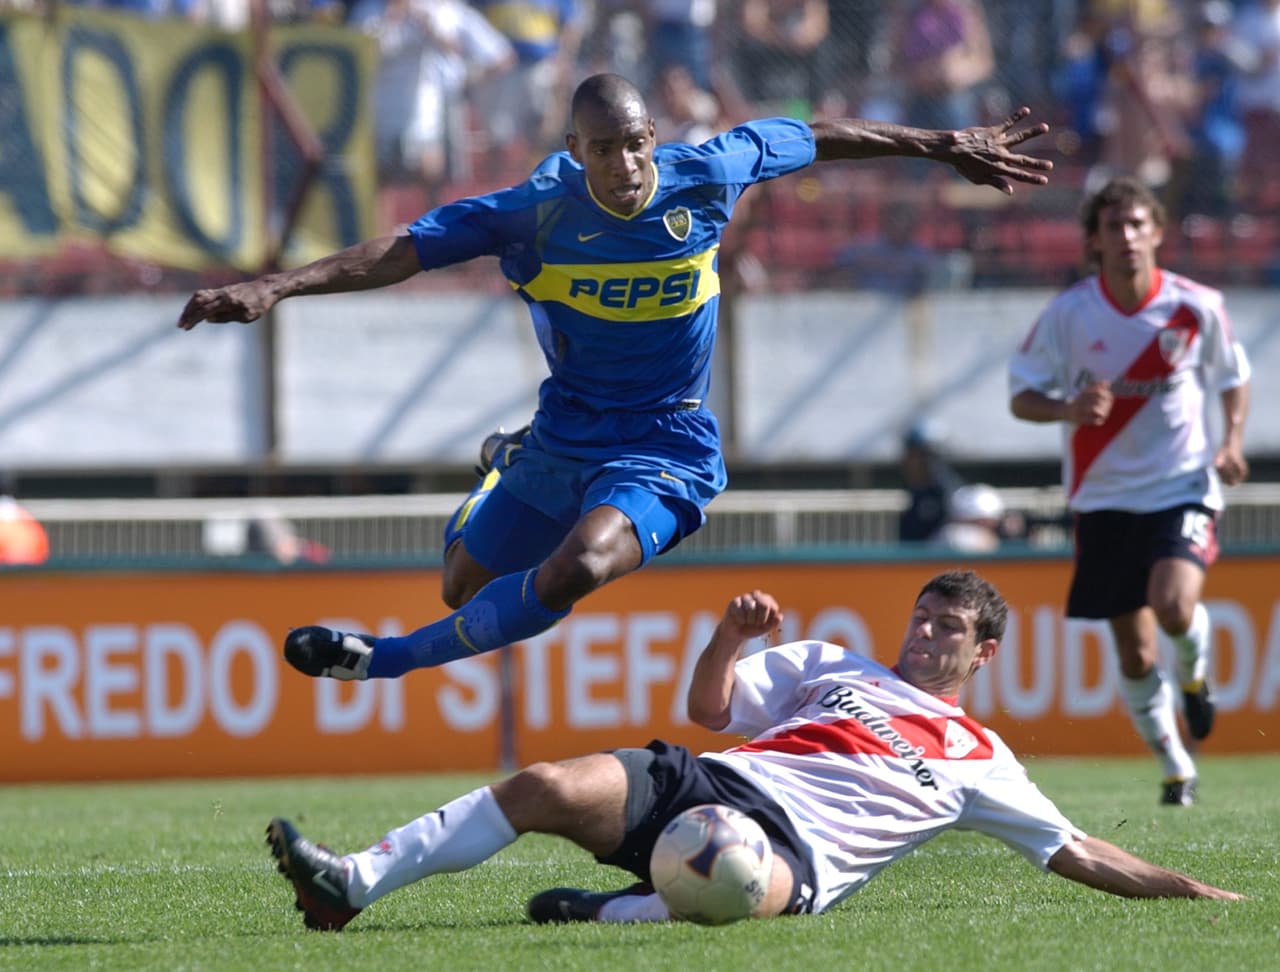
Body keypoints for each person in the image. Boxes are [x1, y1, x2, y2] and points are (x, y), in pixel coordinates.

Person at [177, 72, 1052, 685]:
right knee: (461, 584)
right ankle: (500, 467)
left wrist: (944, 145)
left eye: (637, 144)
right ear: (573, 149)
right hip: (564, 431)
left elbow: (816, 136)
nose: (628, 165)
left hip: (665, 438)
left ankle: (387, 658)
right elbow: (400, 251)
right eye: (606, 149)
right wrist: (276, 286)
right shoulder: (533, 213)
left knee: (580, 565)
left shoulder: (705, 177)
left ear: (652, 139)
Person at [263, 570, 1241, 932]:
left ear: (983, 653)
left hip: (795, 857)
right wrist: (729, 638)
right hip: (715, 777)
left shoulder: (981, 759)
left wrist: (1189, 891)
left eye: (948, 630)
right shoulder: (834, 664)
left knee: (731, 881)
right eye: (921, 616)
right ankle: (348, 883)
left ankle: (619, 911)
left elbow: (1076, 851)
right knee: (542, 783)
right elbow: (708, 707)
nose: (925, 635)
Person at [1008, 175, 1251, 807]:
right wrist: (1067, 409)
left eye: (1138, 224)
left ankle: (1195, 679)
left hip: (1181, 484)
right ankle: (1176, 768)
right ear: (1094, 241)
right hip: (1102, 497)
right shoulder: (1069, 314)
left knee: (1172, 606)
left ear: (1158, 233)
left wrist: (1231, 442)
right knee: (1136, 650)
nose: (1127, 237)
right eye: (1114, 227)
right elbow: (1022, 396)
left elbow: (1233, 376)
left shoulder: (1195, 306)